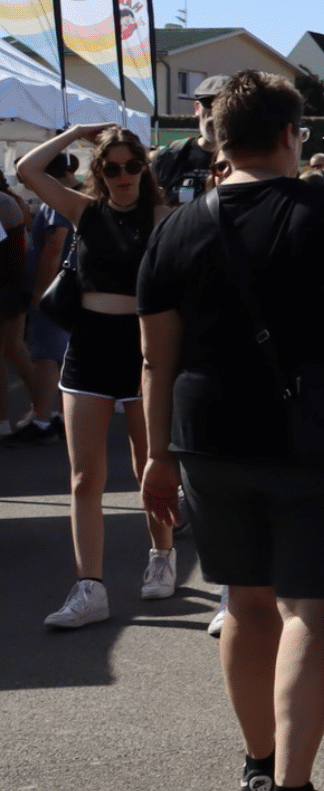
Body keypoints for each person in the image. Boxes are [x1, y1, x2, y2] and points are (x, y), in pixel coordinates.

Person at [137, 69, 324, 791]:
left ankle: (260, 770)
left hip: (206, 437)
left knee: (246, 604)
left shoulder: (175, 229)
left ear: (218, 137)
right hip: (311, 436)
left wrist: (156, 456)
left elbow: (154, 360)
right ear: (290, 134)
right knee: (309, 609)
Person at [19, 123, 174, 625]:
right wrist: (75, 132)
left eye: (132, 165)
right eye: (111, 167)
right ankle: (90, 588)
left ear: (144, 168)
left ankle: (162, 556)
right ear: (99, 172)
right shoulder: (84, 211)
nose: (123, 175)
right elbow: (27, 169)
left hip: (143, 351)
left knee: (147, 465)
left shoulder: (163, 216)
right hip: (88, 349)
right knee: (85, 477)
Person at [3, 154, 71, 448]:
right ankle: (54, 417)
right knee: (50, 357)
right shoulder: (62, 199)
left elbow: (54, 244)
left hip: (50, 291)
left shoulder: (58, 200)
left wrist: (40, 292)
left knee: (47, 357)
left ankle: (44, 420)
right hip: (54, 290)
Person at [0, 166, 37, 437]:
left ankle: (2, 421)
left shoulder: (5, 203)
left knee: (10, 352)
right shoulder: (10, 200)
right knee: (15, 349)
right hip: (15, 286)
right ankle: (46, 410)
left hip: (5, 288)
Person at [152, 74, 225, 202]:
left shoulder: (245, 160)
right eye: (209, 103)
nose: (215, 112)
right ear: (197, 108)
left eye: (223, 105)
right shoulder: (171, 156)